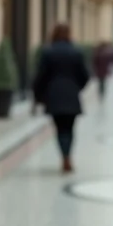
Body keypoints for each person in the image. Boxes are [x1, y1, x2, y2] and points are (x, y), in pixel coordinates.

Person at [32, 23, 90, 174]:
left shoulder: (48, 52)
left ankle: (64, 156)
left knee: (59, 128)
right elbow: (85, 76)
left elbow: (41, 77)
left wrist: (39, 95)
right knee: (70, 128)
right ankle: (68, 156)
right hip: (71, 95)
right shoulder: (76, 52)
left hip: (54, 95)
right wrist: (77, 87)